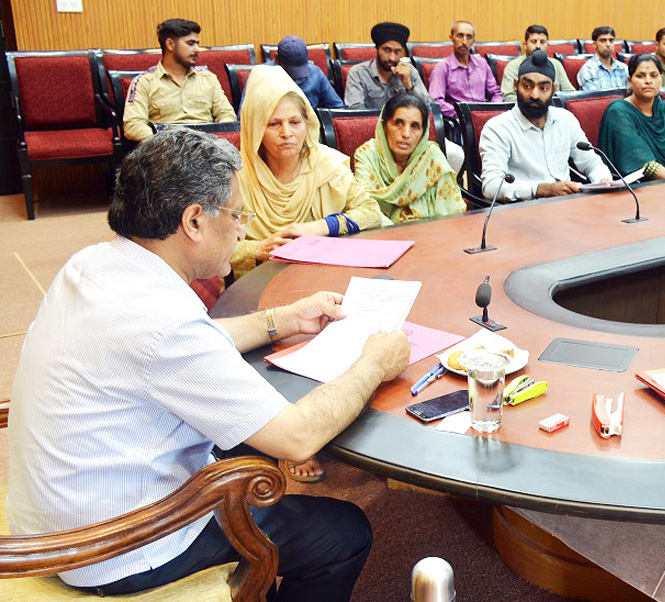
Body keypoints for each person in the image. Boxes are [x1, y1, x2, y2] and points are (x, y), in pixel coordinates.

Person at [6, 126, 411, 601]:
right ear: (195, 220)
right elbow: (297, 437)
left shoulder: (94, 264)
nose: (241, 230)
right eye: (236, 215)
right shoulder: (164, 322)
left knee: (252, 448)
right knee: (343, 532)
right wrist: (373, 364)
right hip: (114, 548)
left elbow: (166, 354)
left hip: (49, 516)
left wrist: (280, 320)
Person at [232, 66, 382, 282]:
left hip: (321, 277)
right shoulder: (236, 177)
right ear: (256, 129)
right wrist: (259, 249)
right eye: (274, 124)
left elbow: (371, 212)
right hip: (257, 282)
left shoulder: (326, 164)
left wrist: (318, 227)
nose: (287, 133)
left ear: (307, 123)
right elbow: (211, 247)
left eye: (295, 122)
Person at [480, 50, 608, 201]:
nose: (535, 95)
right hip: (522, 211)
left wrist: (602, 180)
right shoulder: (497, 128)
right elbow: (491, 186)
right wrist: (539, 190)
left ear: (554, 89)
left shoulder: (566, 120)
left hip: (568, 206)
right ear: (515, 85)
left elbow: (591, 162)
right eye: (527, 86)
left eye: (543, 88)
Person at [353, 92, 466, 223]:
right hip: (381, 236)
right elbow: (365, 206)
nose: (406, 134)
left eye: (415, 127)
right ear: (384, 126)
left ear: (424, 132)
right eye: (398, 123)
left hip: (432, 233)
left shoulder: (431, 156)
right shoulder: (367, 154)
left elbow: (452, 210)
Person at [122, 19, 236, 142]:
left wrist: (216, 139)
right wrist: (166, 141)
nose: (197, 49)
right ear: (170, 44)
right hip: (166, 151)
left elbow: (227, 115)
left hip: (207, 148)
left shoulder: (209, 79)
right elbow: (133, 126)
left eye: (198, 43)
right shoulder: (144, 82)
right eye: (191, 43)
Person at [597, 54, 665, 180]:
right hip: (638, 188)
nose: (648, 81)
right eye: (640, 76)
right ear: (629, 81)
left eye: (654, 75)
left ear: (661, 79)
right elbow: (644, 165)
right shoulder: (618, 112)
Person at [344, 22, 430, 110]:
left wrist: (409, 86)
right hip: (370, 123)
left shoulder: (410, 72)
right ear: (377, 49)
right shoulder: (358, 73)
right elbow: (355, 111)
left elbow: (429, 108)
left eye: (397, 52)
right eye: (387, 50)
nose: (392, 58)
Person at [427, 20, 502, 117]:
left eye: (469, 37)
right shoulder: (442, 68)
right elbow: (436, 101)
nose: (464, 42)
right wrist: (463, 115)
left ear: (474, 41)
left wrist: (491, 112)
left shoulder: (482, 64)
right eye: (460, 36)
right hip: (459, 122)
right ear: (451, 38)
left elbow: (496, 93)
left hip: (484, 119)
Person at [501, 25, 576, 101]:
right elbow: (508, 98)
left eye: (542, 42)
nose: (538, 46)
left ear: (547, 45)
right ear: (525, 45)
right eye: (533, 42)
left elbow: (570, 94)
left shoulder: (556, 64)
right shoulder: (513, 66)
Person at [272, 35, 343, 109]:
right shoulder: (264, 76)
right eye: (291, 70)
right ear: (277, 59)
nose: (297, 77)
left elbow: (337, 108)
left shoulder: (315, 73)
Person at [578, 26, 629, 91]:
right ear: (594, 44)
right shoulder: (588, 70)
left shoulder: (623, 68)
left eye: (611, 41)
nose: (608, 44)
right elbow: (596, 98)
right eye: (603, 41)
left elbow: (630, 93)